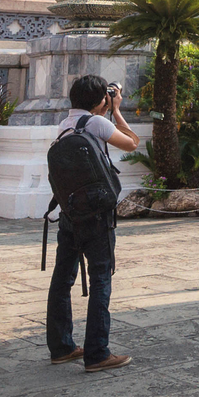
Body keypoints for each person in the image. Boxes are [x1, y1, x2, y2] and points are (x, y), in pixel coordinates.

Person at [47, 74, 140, 371]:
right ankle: (97, 353)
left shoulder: (64, 126)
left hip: (69, 213)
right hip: (97, 217)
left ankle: (62, 347)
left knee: (63, 278)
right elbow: (132, 144)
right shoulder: (96, 123)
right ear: (101, 100)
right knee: (101, 278)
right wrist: (116, 110)